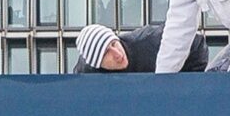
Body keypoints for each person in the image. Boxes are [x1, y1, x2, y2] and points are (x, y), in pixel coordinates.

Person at [72, 22, 208, 74]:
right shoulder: (87, 72)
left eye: (113, 44)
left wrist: (186, 84)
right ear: (98, 64)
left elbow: (195, 41)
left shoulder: (150, 40)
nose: (117, 53)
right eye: (106, 53)